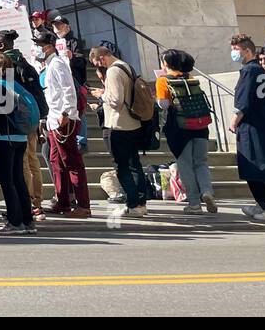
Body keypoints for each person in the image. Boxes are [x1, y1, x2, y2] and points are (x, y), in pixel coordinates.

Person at [230, 34, 265, 223]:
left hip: (252, 124)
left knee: (252, 165)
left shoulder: (249, 71)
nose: (233, 53)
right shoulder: (261, 71)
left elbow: (244, 101)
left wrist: (234, 119)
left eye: (236, 49)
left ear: (247, 50)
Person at [89, 43, 149, 217]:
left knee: (122, 167)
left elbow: (115, 100)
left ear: (102, 58)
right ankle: (141, 202)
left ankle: (132, 204)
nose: (99, 68)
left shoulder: (114, 71)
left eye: (97, 63)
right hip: (133, 123)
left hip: (118, 124)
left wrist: (102, 94)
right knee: (134, 164)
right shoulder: (127, 66)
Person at [156, 49, 216, 215]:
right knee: (201, 162)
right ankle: (207, 191)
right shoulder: (191, 78)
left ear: (166, 63)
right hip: (200, 125)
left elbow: (164, 105)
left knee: (185, 164)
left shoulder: (163, 80)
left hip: (179, 127)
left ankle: (194, 203)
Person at [0, 49, 38, 234]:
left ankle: (15, 222)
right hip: (21, 137)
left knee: (7, 181)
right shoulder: (16, 85)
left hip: (2, 138)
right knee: (19, 180)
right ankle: (27, 220)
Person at [39, 29, 90, 218]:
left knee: (72, 161)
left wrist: (65, 113)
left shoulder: (58, 64)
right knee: (56, 160)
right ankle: (63, 200)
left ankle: (83, 204)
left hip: (63, 118)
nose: (38, 49)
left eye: (41, 46)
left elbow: (68, 89)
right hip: (53, 118)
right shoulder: (49, 65)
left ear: (49, 47)